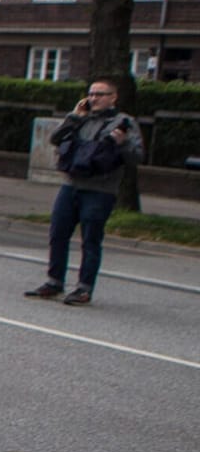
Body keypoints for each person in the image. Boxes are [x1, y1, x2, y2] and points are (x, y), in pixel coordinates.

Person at [25, 80, 146, 306]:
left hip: (100, 190)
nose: (94, 98)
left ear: (113, 97)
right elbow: (55, 139)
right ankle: (54, 281)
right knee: (58, 233)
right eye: (91, 94)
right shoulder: (81, 119)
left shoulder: (124, 123)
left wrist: (122, 144)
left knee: (90, 239)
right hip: (71, 185)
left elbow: (137, 157)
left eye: (100, 94)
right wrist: (74, 117)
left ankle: (84, 288)